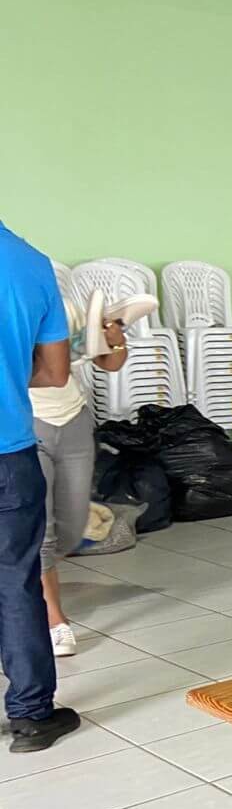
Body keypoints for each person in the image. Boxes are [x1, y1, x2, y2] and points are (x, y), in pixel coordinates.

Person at [0, 220, 78, 753]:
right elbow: (54, 373)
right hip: (8, 454)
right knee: (15, 582)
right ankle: (30, 717)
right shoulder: (30, 263)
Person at [31, 286, 129, 657]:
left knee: (71, 530)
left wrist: (113, 340)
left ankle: (26, 586)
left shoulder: (67, 308)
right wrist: (59, 359)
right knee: (43, 529)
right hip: (27, 423)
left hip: (73, 420)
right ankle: (55, 619)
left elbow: (111, 364)